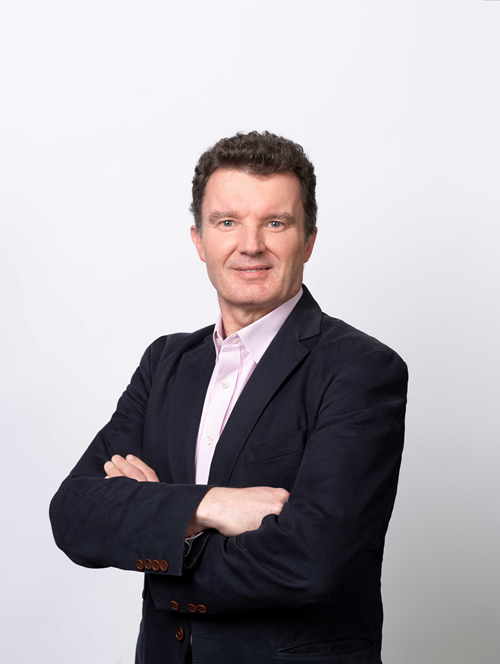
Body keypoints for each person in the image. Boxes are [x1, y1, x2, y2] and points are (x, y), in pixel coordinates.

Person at [50, 131, 408, 664]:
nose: (251, 245)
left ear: (309, 240)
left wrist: (159, 535)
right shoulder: (165, 363)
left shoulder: (360, 369)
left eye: (276, 223)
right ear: (199, 240)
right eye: (227, 222)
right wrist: (211, 505)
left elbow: (312, 559)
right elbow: (74, 514)